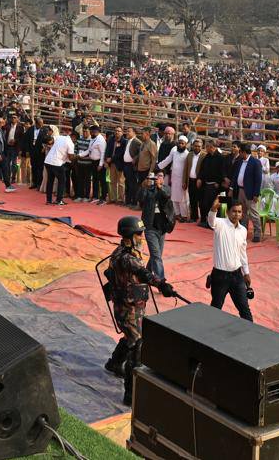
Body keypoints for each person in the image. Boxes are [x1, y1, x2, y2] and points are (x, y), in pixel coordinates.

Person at [103, 216, 178, 405]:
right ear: (128, 236)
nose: (141, 237)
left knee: (131, 338)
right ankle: (130, 394)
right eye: (138, 234)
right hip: (127, 309)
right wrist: (162, 285)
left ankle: (114, 363)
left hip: (132, 306)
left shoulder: (125, 252)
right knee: (136, 347)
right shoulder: (126, 258)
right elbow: (145, 274)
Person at [206, 193, 252, 321]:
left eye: (239, 212)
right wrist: (213, 208)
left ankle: (250, 331)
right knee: (215, 308)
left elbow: (243, 253)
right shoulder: (220, 224)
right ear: (227, 212)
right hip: (220, 276)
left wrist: (246, 272)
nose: (236, 214)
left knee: (245, 310)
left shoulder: (243, 230)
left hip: (237, 276)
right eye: (234, 211)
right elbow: (211, 221)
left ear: (242, 214)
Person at [139, 171, 173, 279]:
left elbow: (166, 197)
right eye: (156, 176)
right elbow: (140, 200)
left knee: (156, 255)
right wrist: (145, 186)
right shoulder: (147, 189)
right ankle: (161, 281)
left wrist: (159, 187)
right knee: (156, 256)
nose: (158, 178)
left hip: (162, 228)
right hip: (150, 227)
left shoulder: (166, 189)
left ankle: (145, 274)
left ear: (164, 178)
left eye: (161, 176)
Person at [233, 143, 265, 243]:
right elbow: (236, 174)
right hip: (240, 190)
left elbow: (258, 179)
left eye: (240, 152)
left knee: (253, 213)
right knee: (242, 213)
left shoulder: (255, 162)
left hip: (250, 192)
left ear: (244, 152)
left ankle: (257, 234)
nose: (239, 154)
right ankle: (243, 231)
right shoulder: (239, 161)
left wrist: (256, 194)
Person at [43, 124, 76, 206]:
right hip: (57, 163)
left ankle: (48, 200)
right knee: (62, 180)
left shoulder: (60, 137)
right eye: (75, 140)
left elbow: (50, 141)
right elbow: (71, 157)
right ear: (74, 137)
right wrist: (77, 157)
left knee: (50, 181)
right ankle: (59, 200)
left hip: (48, 161)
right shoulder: (71, 143)